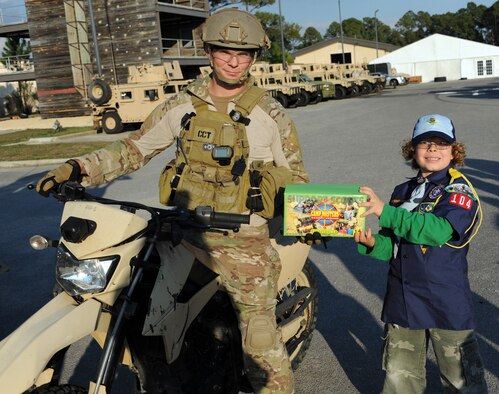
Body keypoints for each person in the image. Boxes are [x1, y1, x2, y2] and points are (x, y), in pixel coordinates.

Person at [36, 8, 309, 394]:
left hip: (243, 241)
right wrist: (78, 168)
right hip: (181, 232)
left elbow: (297, 179)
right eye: (224, 51)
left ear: (254, 57)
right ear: (209, 51)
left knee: (261, 341)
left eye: (243, 53)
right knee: (136, 310)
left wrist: (311, 219)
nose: (234, 60)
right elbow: (134, 150)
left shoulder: (271, 114)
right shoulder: (181, 105)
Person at [354, 114, 487, 393]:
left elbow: (436, 231)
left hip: (445, 301)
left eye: (441, 144)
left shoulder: (458, 190)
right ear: (412, 150)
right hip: (403, 299)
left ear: (454, 150)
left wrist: (384, 212)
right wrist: (371, 244)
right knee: (400, 380)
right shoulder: (403, 191)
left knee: (462, 382)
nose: (433, 150)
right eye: (425, 143)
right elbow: (393, 245)